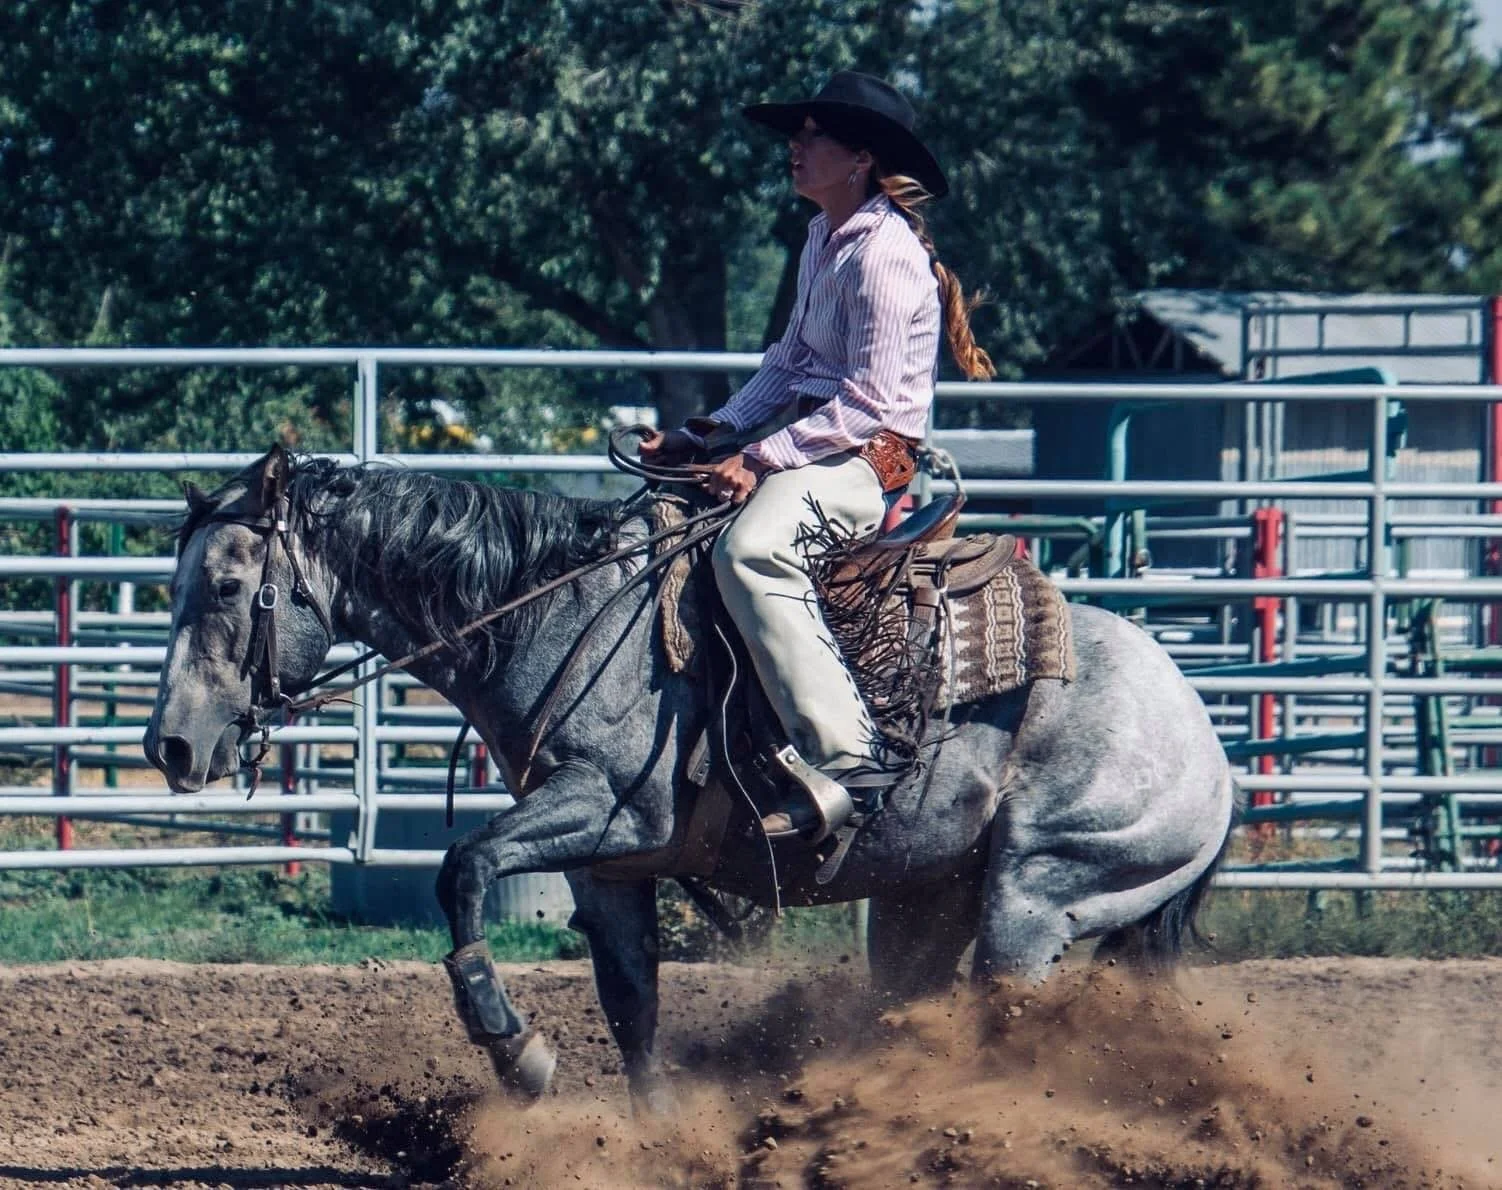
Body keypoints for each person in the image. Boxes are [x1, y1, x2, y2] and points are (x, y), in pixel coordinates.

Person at [641, 71, 994, 840]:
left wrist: (760, 457)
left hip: (872, 459)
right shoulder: (822, 239)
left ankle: (848, 760)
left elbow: (868, 402)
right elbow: (790, 358)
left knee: (753, 551)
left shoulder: (884, 257)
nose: (795, 150)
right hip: (818, 446)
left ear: (859, 157)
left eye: (813, 138)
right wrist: (706, 434)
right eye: (795, 138)